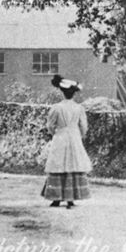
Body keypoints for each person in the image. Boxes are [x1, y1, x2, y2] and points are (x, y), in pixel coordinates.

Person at [41, 74, 92, 208]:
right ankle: (71, 198)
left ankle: (56, 198)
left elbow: (50, 126)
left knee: (59, 164)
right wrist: (80, 136)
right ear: (73, 94)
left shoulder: (56, 108)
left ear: (62, 92)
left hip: (61, 137)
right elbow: (84, 126)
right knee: (73, 164)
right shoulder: (79, 108)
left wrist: (55, 134)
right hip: (74, 137)